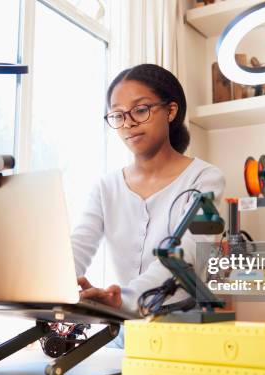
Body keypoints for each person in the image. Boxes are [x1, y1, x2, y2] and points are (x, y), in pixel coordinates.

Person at [72, 63, 225, 316]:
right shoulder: (105, 187)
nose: (128, 123)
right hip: (121, 325)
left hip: (181, 326)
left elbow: (187, 253)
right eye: (118, 115)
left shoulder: (205, 178)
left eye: (140, 110)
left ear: (171, 111)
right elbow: (79, 245)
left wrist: (124, 300)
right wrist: (51, 288)